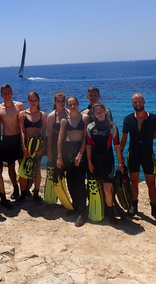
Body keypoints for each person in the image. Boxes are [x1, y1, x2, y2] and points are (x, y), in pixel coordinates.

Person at [120, 93, 156, 222]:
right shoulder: (128, 119)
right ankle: (134, 207)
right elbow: (124, 137)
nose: (137, 104)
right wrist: (120, 154)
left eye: (139, 101)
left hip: (148, 154)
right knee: (134, 182)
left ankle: (154, 210)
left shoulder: (154, 119)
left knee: (151, 183)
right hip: (133, 153)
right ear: (132, 103)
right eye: (135, 102)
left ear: (144, 102)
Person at [86, 103, 123, 224]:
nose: (100, 114)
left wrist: (120, 163)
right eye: (97, 112)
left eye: (101, 111)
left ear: (105, 112)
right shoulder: (90, 127)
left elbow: (117, 146)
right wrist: (89, 162)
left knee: (107, 188)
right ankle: (99, 209)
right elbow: (89, 146)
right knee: (96, 188)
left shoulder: (112, 127)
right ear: (94, 114)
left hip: (108, 161)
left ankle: (110, 213)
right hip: (95, 162)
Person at [57, 96, 89, 227]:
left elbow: (86, 138)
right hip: (67, 152)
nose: (72, 106)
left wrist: (80, 155)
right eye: (69, 104)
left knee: (80, 182)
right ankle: (75, 206)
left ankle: (83, 211)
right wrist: (59, 157)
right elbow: (60, 139)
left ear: (78, 104)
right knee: (70, 181)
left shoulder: (84, 118)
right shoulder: (65, 120)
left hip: (80, 151)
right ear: (67, 105)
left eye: (74, 104)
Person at [16, 91, 47, 204]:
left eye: (35, 100)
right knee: (23, 170)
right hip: (26, 145)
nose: (33, 102)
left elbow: (44, 133)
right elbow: (22, 132)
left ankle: (36, 193)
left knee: (37, 169)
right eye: (31, 100)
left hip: (37, 146)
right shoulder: (22, 114)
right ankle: (23, 194)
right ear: (28, 101)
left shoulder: (42, 115)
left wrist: (43, 148)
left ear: (38, 101)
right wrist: (24, 147)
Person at [0, 84, 24, 199]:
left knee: (22, 165)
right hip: (7, 140)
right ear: (1, 95)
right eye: (5, 93)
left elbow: (25, 125)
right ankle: (15, 187)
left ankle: (25, 189)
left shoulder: (19, 106)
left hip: (19, 138)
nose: (7, 95)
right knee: (11, 166)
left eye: (8, 92)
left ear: (12, 93)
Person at [46, 92, 69, 165]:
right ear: (55, 102)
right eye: (58, 101)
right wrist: (49, 151)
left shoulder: (69, 113)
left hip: (68, 144)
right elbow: (49, 135)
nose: (61, 103)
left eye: (62, 101)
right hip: (55, 146)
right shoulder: (51, 116)